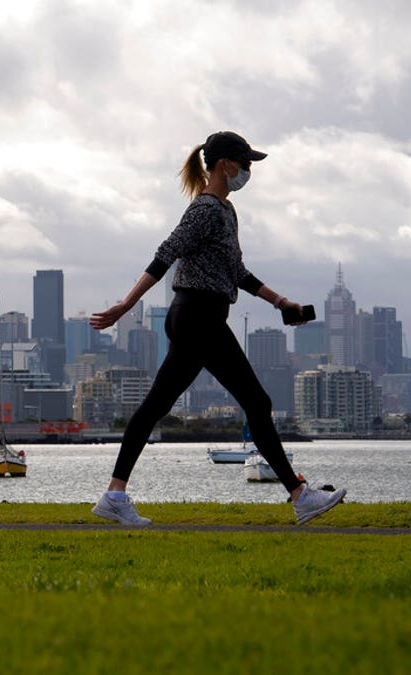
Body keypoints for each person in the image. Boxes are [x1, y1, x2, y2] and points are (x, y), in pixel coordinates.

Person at [89, 131, 346, 526]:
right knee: (257, 403)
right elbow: (165, 254)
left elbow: (237, 271)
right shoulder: (205, 209)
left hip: (201, 317)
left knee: (155, 406)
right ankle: (300, 495)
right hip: (198, 317)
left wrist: (281, 302)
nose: (248, 171)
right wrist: (126, 304)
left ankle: (114, 494)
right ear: (226, 164)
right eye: (245, 164)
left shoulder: (226, 212)